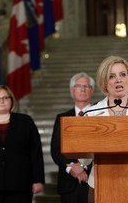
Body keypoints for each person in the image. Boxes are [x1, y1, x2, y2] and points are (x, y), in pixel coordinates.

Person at [85, 55, 128, 203]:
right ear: (105, 82)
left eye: (123, 74)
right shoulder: (92, 112)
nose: (118, 80)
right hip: (100, 183)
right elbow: (83, 158)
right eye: (112, 76)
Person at [51, 72, 95, 203]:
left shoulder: (100, 115)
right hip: (68, 184)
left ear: (92, 91)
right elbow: (56, 149)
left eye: (86, 86)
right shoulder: (62, 118)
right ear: (72, 91)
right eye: (78, 86)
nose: (82, 89)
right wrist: (71, 167)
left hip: (94, 181)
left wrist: (83, 166)